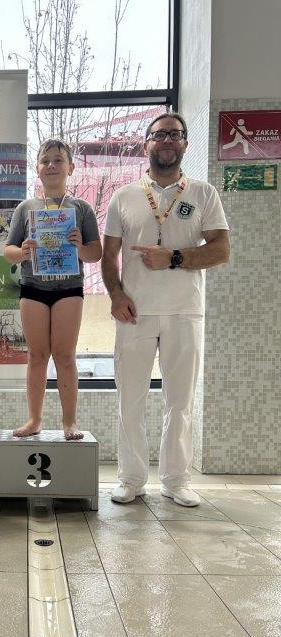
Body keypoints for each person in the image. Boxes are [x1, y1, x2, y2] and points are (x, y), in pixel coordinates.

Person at [102, 112, 230, 506]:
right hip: (134, 313)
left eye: (175, 135)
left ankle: (176, 480)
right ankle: (131, 478)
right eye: (160, 135)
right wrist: (116, 295)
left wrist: (173, 257)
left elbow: (221, 250)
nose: (168, 141)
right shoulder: (124, 196)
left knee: (180, 402)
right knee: (130, 400)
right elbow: (108, 257)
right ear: (146, 144)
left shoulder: (203, 194)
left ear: (185, 144)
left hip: (184, 312)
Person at [4, 138, 102, 440]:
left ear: (70, 168)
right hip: (33, 287)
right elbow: (8, 250)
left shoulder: (81, 209)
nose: (51, 165)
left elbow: (95, 253)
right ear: (37, 169)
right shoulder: (26, 208)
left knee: (65, 356)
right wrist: (23, 251)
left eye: (58, 160)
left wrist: (79, 247)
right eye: (45, 160)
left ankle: (69, 422)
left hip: (68, 289)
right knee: (37, 356)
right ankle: (34, 420)